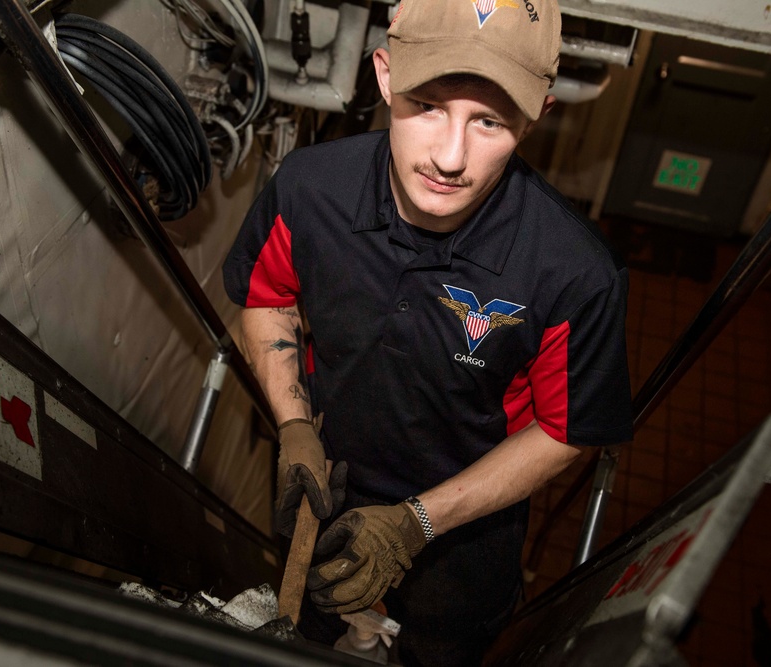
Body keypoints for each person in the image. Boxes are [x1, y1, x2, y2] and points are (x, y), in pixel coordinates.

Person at [223, 0, 633, 663]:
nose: (450, 156)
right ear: (385, 76)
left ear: (536, 118)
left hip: (468, 535)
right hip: (331, 488)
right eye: (427, 106)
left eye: (490, 121)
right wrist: (294, 424)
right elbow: (268, 297)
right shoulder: (307, 189)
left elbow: (565, 428)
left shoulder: (575, 272)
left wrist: (418, 521)